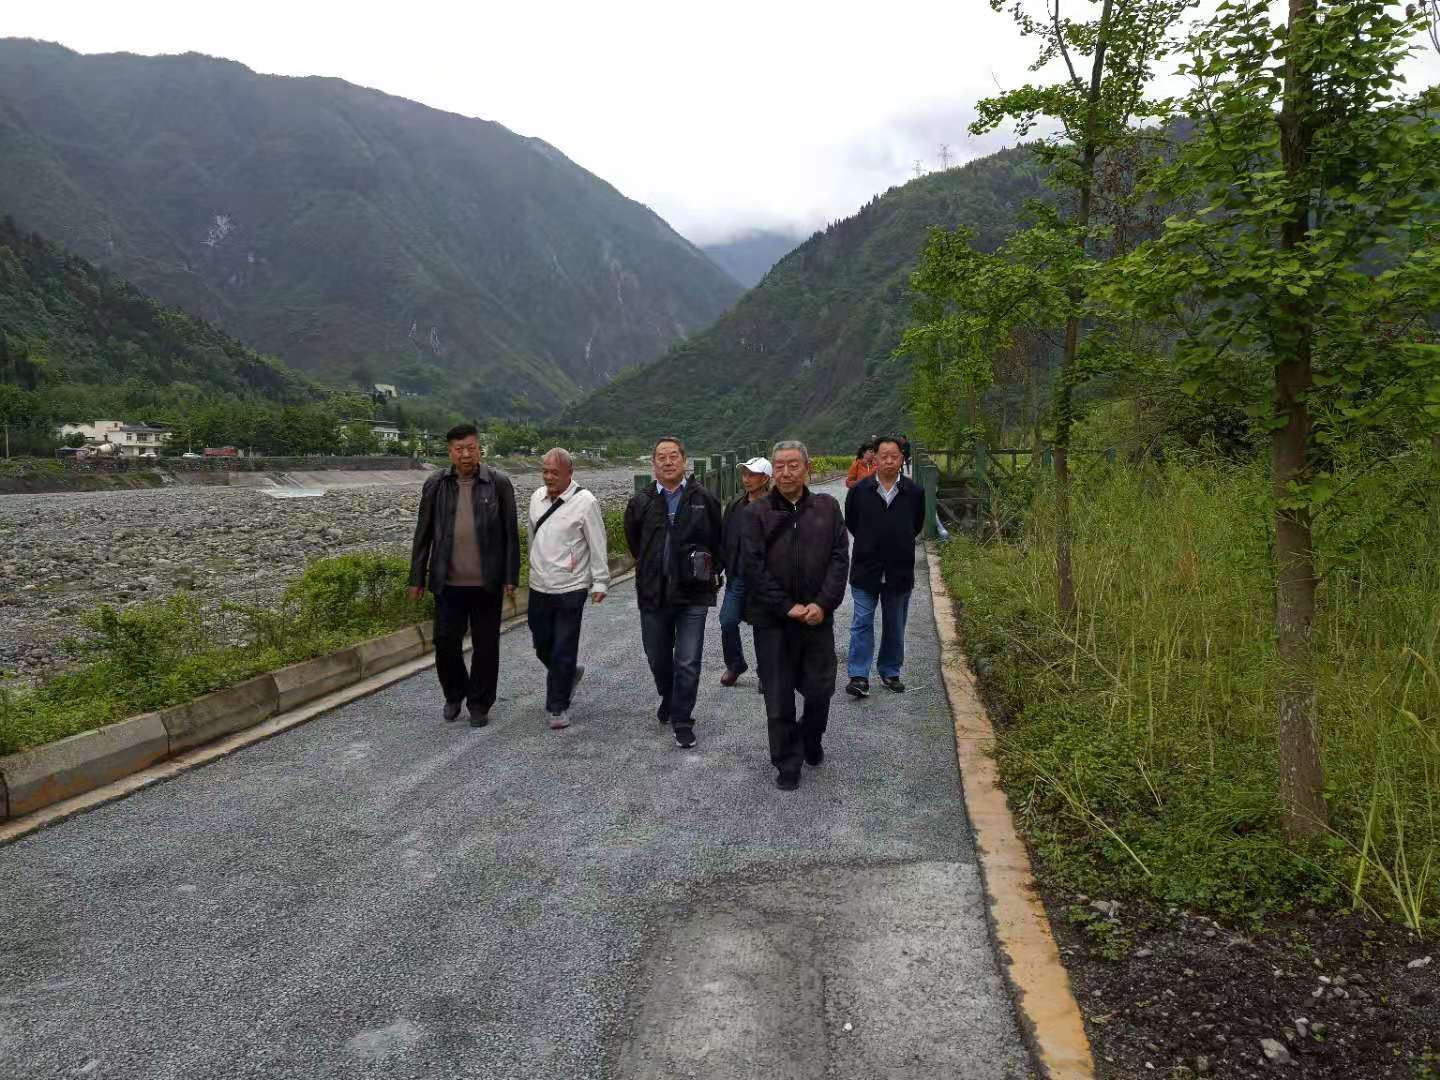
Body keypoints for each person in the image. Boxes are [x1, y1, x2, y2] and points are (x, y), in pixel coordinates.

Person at [743, 440, 849, 790]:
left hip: (817, 619)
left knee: (820, 690)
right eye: (780, 466)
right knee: (778, 696)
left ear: (807, 467)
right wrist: (786, 605)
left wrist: (823, 604)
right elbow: (753, 567)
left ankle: (810, 737)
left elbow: (839, 558)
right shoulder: (756, 513)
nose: (786, 472)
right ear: (772, 470)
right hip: (773, 621)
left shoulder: (827, 507)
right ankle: (787, 762)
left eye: (793, 465)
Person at [408, 423, 520, 727]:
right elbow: (423, 534)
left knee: (486, 646)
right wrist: (416, 578)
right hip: (448, 582)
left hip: (487, 583)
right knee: (445, 642)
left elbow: (510, 534)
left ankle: (480, 703)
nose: (466, 454)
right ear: (450, 452)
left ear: (479, 449)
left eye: (471, 448)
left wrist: (511, 575)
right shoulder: (436, 484)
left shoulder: (499, 483)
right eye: (459, 449)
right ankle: (454, 693)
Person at [623, 436, 724, 749]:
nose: (668, 462)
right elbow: (635, 542)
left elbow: (718, 540)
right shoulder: (640, 502)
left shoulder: (703, 498)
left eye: (673, 456)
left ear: (684, 460)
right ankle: (669, 695)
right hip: (653, 592)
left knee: (688, 660)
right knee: (657, 656)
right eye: (661, 457)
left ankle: (682, 719)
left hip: (693, 592)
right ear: (653, 463)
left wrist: (710, 571)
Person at [527, 447, 609, 730]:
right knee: (542, 644)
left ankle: (557, 705)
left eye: (555, 472)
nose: (549, 477)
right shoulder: (536, 498)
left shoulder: (585, 502)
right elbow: (532, 537)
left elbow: (597, 542)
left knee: (563, 645)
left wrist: (600, 581)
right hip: (539, 585)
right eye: (545, 471)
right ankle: (568, 674)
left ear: (569, 474)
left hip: (571, 587)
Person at [843, 435, 927, 698]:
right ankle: (859, 676)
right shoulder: (859, 491)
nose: (889, 461)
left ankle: (890, 671)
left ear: (902, 459)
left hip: (899, 569)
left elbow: (916, 525)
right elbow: (852, 523)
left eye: (894, 456)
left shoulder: (914, 492)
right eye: (884, 456)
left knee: (895, 623)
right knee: (862, 621)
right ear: (875, 458)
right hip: (866, 568)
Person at [718, 457, 772, 689]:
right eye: (745, 474)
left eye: (752, 475)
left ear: (765, 479)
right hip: (737, 576)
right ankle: (735, 664)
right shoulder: (735, 506)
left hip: (765, 580)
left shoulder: (775, 507)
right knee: (727, 621)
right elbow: (724, 539)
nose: (747, 479)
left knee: (764, 627)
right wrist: (717, 569)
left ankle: (766, 672)